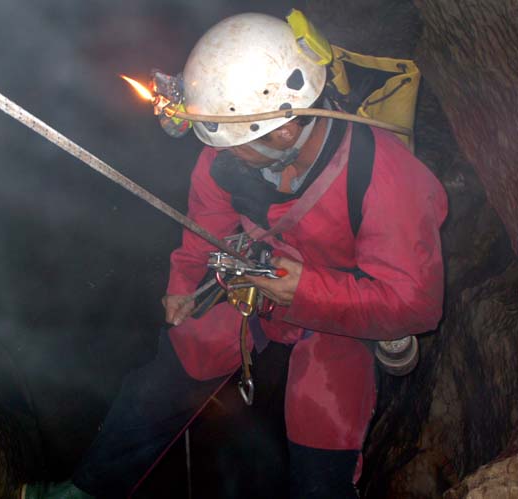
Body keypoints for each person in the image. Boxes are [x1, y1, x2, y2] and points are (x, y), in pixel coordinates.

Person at [23, 11, 447, 499]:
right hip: (260, 283)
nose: (219, 155)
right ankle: (88, 489)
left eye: (233, 142)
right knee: (171, 369)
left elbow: (414, 304)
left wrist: (305, 289)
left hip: (344, 314)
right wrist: (182, 283)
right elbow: (206, 222)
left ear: (284, 132)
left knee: (321, 438)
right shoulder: (234, 155)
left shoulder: (388, 181)